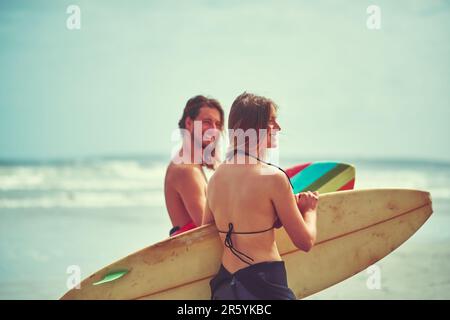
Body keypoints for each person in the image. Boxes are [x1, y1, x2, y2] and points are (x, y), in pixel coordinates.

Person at [202, 92, 318, 300]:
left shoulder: (215, 179)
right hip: (265, 286)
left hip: (225, 287)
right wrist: (309, 210)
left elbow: (205, 235)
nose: (279, 128)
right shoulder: (273, 177)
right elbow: (305, 242)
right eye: (272, 121)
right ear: (255, 128)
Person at [164, 95, 224, 237]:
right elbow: (207, 228)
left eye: (218, 124)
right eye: (207, 122)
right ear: (189, 123)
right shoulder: (186, 170)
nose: (214, 130)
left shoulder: (191, 166)